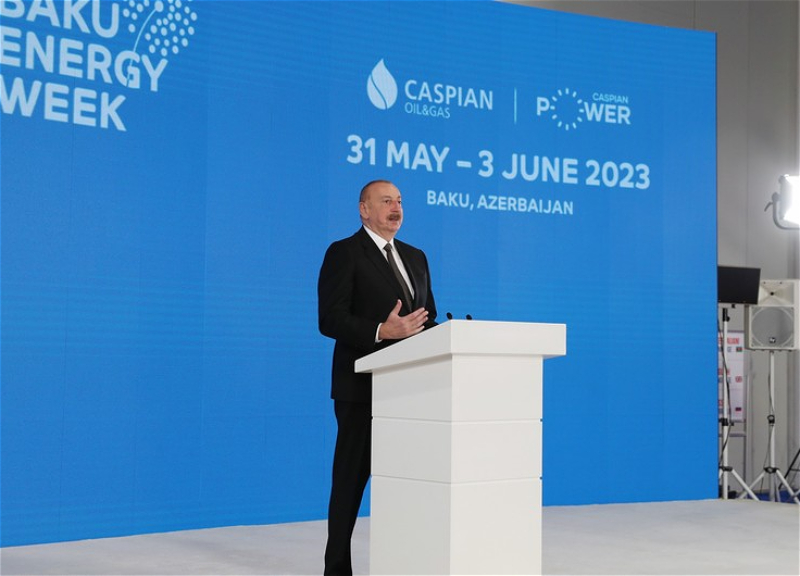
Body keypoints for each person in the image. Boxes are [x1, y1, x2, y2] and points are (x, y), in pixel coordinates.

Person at [318, 179, 437, 576]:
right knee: (349, 483)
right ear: (364, 209)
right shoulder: (344, 253)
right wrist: (381, 331)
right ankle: (337, 568)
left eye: (399, 200)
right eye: (386, 201)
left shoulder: (416, 257)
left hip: (410, 390)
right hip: (361, 389)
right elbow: (329, 318)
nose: (395, 207)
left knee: (408, 481)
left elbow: (427, 318)